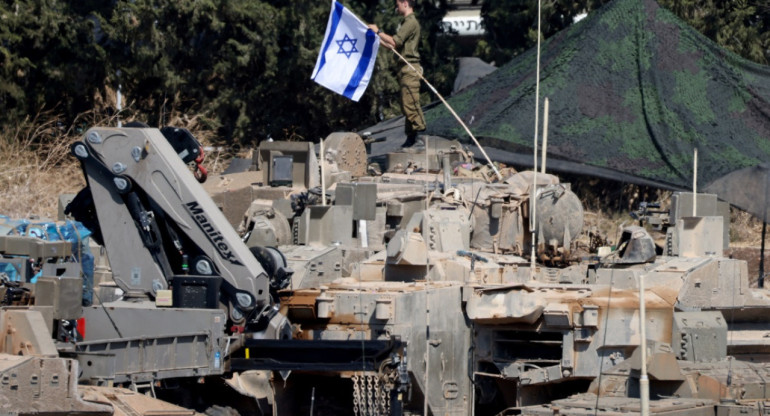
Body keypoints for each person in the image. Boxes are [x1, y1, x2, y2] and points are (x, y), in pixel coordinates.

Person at [369, 0, 426, 148]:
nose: (396, 7)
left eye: (398, 4)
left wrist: (378, 31)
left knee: (411, 103)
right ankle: (411, 136)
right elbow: (392, 47)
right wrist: (377, 38)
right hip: (403, 69)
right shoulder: (406, 22)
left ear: (405, 3)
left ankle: (420, 135)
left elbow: (395, 42)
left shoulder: (411, 22)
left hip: (410, 68)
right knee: (405, 105)